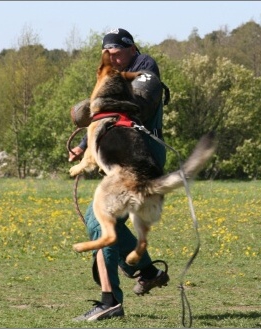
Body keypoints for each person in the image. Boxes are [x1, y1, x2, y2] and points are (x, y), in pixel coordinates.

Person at [70, 28, 170, 322]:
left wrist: (92, 107)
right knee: (98, 221)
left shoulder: (145, 67)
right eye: (107, 54)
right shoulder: (113, 75)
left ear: (131, 49)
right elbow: (106, 118)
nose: (112, 58)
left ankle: (110, 301)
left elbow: (136, 102)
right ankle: (148, 272)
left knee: (101, 224)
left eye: (116, 52)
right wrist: (82, 146)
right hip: (123, 160)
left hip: (141, 159)